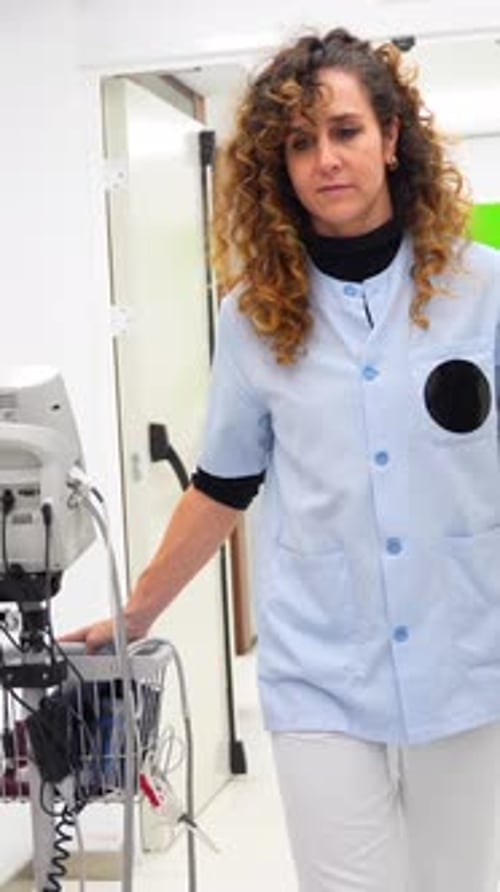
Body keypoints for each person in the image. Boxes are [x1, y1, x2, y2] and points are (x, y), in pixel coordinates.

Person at [65, 28, 500, 892]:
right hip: (321, 665)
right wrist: (139, 611)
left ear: (390, 138)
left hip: (469, 648)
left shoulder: (481, 289)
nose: (325, 159)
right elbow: (224, 481)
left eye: (343, 131)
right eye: (300, 142)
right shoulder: (253, 317)